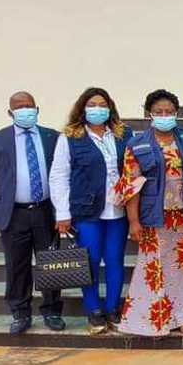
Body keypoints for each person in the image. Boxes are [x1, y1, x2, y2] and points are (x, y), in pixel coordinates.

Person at [114, 90, 183, 337]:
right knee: (155, 268)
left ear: (177, 114)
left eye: (170, 112)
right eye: (159, 112)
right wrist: (133, 222)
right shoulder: (137, 144)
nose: (165, 116)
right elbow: (131, 187)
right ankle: (156, 318)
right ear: (149, 114)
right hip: (154, 217)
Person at [50, 87, 132, 335]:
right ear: (83, 108)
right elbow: (59, 176)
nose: (98, 109)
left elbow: (133, 167)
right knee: (91, 262)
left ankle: (112, 308)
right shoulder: (70, 137)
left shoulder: (122, 134)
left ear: (110, 108)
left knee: (116, 260)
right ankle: (94, 310)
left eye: (102, 104)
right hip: (87, 212)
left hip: (118, 211)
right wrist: (62, 213)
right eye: (92, 104)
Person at [0, 91, 65, 334]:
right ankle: (20, 313)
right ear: (10, 112)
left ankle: (52, 310)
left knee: (51, 264)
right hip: (14, 214)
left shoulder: (52, 137)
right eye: (19, 107)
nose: (25, 110)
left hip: (46, 211)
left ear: (37, 109)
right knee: (17, 266)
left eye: (29, 106)